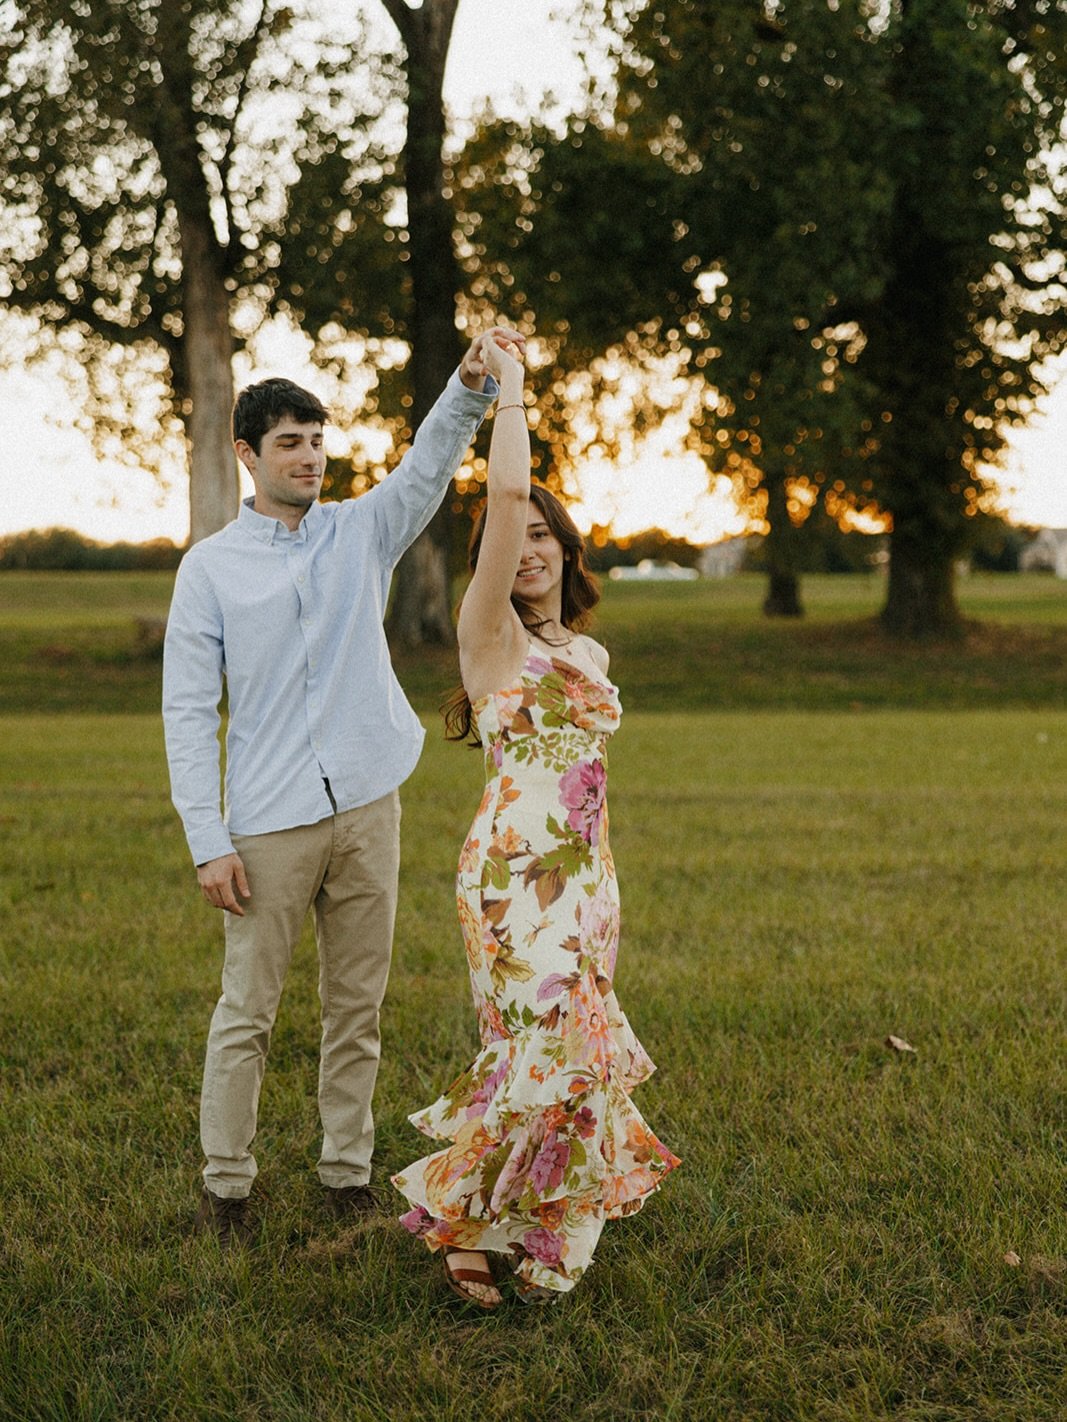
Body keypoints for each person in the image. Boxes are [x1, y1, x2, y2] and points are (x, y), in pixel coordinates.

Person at [162, 327, 524, 1247]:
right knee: (247, 1013)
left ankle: (345, 1174)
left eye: (318, 441)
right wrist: (208, 840)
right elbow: (187, 712)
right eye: (289, 443)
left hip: (368, 805)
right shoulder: (209, 570)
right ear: (248, 455)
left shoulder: (361, 532)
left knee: (357, 1007)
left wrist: (470, 383)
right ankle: (226, 1188)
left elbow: (428, 464)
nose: (310, 458)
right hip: (267, 825)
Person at [391, 336, 679, 1306]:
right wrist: (507, 386)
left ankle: (545, 1222)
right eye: (513, 539)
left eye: (544, 537)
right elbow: (506, 495)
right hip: (512, 879)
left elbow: (592, 791)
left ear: (567, 548)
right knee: (529, 1049)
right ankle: (471, 1224)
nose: (527, 550)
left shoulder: (589, 657)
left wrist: (603, 890)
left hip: (587, 882)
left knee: (578, 1055)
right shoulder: (489, 636)